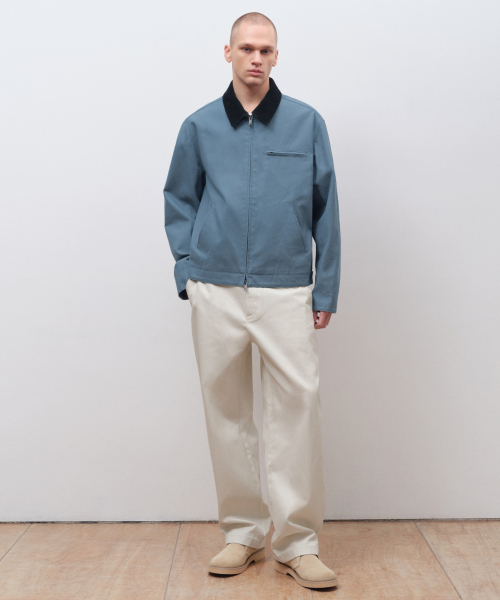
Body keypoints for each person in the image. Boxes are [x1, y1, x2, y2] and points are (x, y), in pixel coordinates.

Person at [163, 12, 340, 590]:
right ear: (228, 53)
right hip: (215, 289)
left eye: (265, 49)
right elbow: (179, 199)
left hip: (285, 288)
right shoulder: (199, 126)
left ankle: (298, 543)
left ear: (276, 56)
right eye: (246, 48)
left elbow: (326, 210)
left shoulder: (306, 123)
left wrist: (326, 286)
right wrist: (189, 272)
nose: (256, 58)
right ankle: (242, 533)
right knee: (228, 413)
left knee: (297, 412)